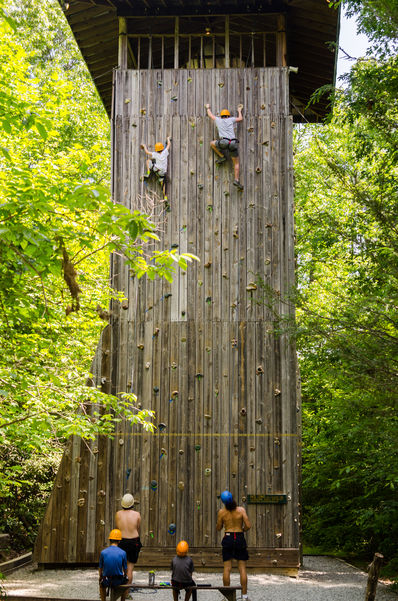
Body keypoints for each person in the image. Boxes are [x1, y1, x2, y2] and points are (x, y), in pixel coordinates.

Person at [216, 490, 251, 601]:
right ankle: (244, 596)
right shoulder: (241, 510)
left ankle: (227, 597)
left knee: (227, 568)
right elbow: (248, 525)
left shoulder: (222, 512)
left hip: (228, 537)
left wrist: (224, 524)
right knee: (242, 568)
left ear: (223, 502)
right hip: (239, 537)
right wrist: (242, 530)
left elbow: (218, 528)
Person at [205, 104, 244, 190]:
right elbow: (240, 118)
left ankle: (222, 156)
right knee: (236, 163)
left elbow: (210, 115)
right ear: (228, 116)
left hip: (224, 141)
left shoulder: (218, 120)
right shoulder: (231, 119)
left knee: (212, 143)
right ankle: (236, 180)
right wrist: (239, 110)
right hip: (233, 142)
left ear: (221, 116)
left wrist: (207, 108)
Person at [115, 493, 142, 584]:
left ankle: (121, 589)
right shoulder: (137, 514)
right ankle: (127, 593)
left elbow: (118, 528)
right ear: (132, 504)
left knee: (123, 567)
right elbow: (137, 528)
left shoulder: (118, 514)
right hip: (134, 541)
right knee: (130, 568)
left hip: (121, 541)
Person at [99, 529, 128, 601]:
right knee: (126, 584)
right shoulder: (123, 553)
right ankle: (122, 600)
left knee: (101, 585)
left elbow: (100, 568)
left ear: (110, 540)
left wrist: (100, 576)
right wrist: (125, 576)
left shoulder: (103, 552)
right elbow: (125, 569)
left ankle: (103, 600)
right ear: (119, 541)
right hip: (118, 580)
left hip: (106, 579)